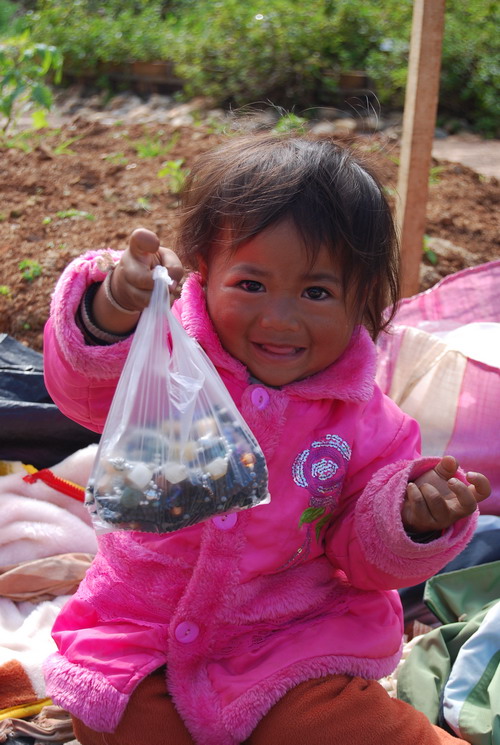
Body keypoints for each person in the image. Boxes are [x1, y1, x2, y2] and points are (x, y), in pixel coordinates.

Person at [42, 133, 490, 745]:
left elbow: (366, 562)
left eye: (316, 293)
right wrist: (116, 306)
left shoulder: (372, 425)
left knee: (343, 726)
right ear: (203, 275)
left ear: (364, 301)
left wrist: (415, 520)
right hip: (144, 632)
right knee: (115, 714)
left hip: (291, 644)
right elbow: (86, 390)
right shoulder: (169, 362)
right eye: (251, 285)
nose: (279, 318)